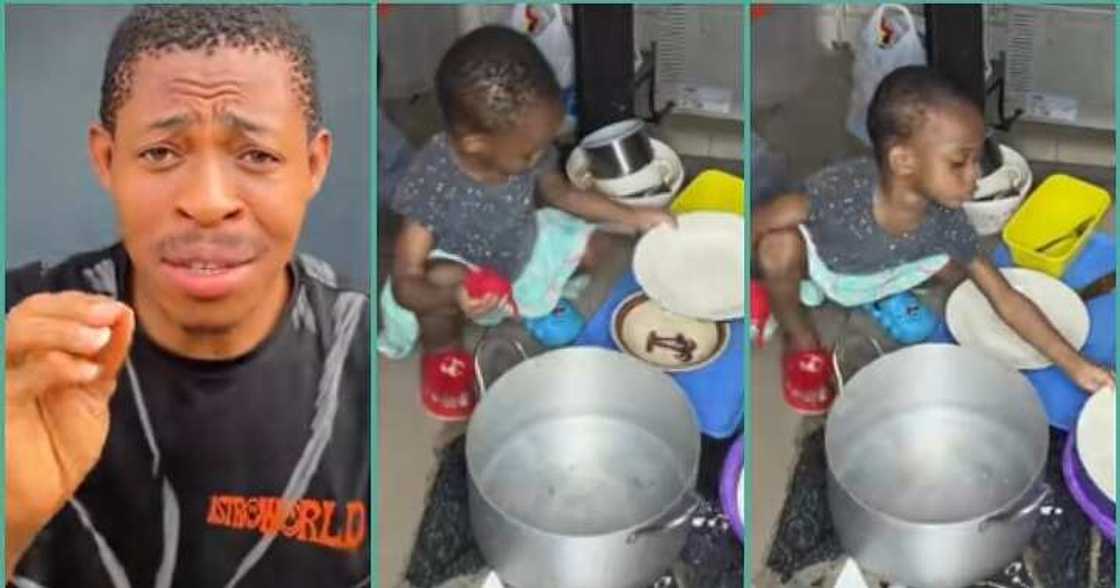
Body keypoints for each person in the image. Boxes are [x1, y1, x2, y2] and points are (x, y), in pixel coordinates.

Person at [5, 6, 369, 586]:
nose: (205, 200)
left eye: (257, 155)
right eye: (160, 153)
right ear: (107, 160)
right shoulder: (16, 346)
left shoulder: (360, 357)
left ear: (313, 164)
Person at [753, 65, 1113, 415]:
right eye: (960, 163)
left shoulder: (948, 220)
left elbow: (1004, 298)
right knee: (777, 250)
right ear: (903, 161)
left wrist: (1075, 365)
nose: (975, 176)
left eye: (976, 160)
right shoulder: (840, 193)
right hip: (833, 270)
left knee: (965, 270)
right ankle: (801, 341)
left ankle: (884, 295)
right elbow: (761, 221)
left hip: (898, 267)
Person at [379, 25, 674, 421]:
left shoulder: (522, 143)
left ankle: (533, 302)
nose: (539, 158)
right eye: (529, 154)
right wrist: (457, 298)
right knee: (439, 277)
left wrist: (634, 216)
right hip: (466, 279)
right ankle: (443, 358)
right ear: (475, 145)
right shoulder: (432, 179)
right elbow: (405, 283)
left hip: (519, 246)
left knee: (593, 243)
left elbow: (562, 194)